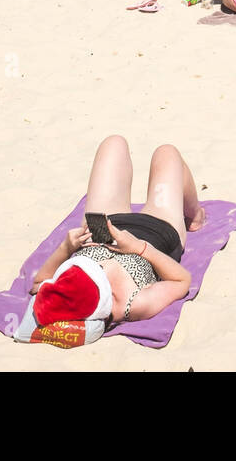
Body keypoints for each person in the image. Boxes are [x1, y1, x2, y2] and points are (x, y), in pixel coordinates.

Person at [30, 135, 201, 327]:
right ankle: (195, 214)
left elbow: (38, 285)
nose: (105, 264)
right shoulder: (132, 304)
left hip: (106, 225)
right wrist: (139, 248)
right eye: (100, 271)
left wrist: (66, 247)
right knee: (167, 154)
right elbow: (182, 280)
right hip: (156, 230)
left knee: (113, 144)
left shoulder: (65, 291)